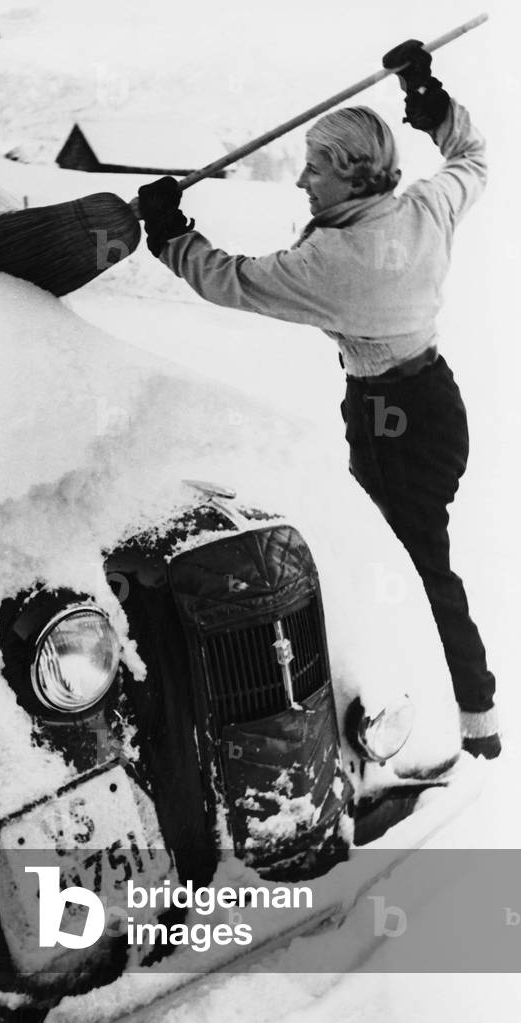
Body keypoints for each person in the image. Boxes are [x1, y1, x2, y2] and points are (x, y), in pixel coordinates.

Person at [137, 40, 500, 759]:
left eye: (314, 167)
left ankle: (464, 720)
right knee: (412, 556)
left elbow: (230, 280)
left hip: (393, 421)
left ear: (350, 174)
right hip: (432, 401)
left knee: (413, 565)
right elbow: (473, 160)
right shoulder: (425, 208)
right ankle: (440, 705)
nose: (301, 180)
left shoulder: (334, 264)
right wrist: (433, 105)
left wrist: (170, 233)